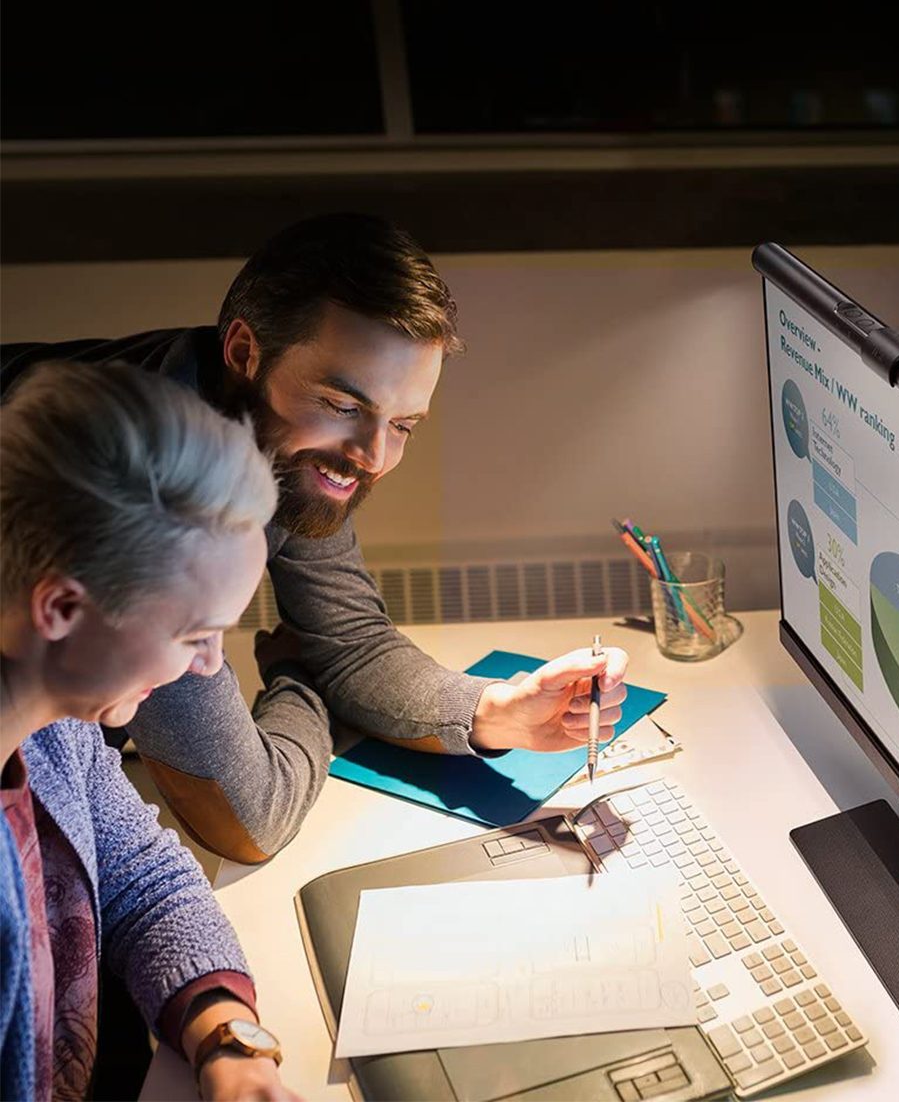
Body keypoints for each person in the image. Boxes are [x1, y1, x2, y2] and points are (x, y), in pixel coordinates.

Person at [0, 213, 629, 864]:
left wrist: (495, 710)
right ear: (245, 353)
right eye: (344, 406)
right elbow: (248, 817)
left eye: (404, 424)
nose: (373, 456)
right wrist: (301, 680)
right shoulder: (155, 481)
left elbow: (350, 642)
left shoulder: (284, 442)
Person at [0, 362, 299, 1101]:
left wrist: (232, 1044)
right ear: (62, 608)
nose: (206, 669)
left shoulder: (53, 727)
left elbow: (141, 878)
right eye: (196, 633)